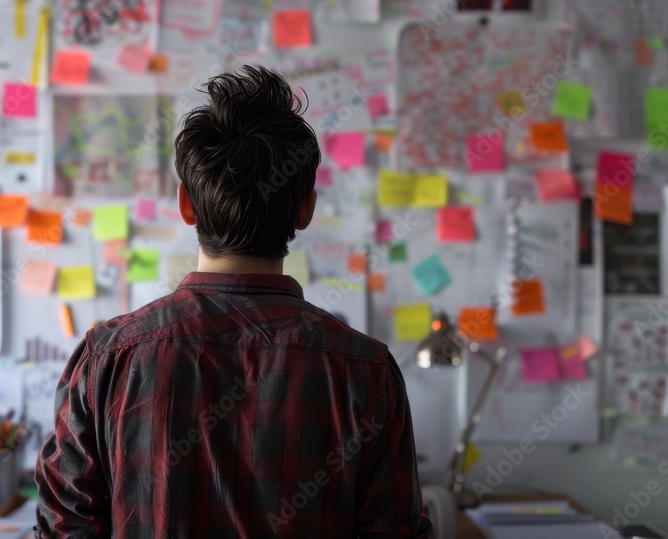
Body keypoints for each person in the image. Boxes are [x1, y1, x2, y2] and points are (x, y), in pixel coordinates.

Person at [34, 66, 432, 538]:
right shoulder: (365, 370)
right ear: (306, 209)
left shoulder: (107, 358)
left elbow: (64, 527)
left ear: (186, 205)